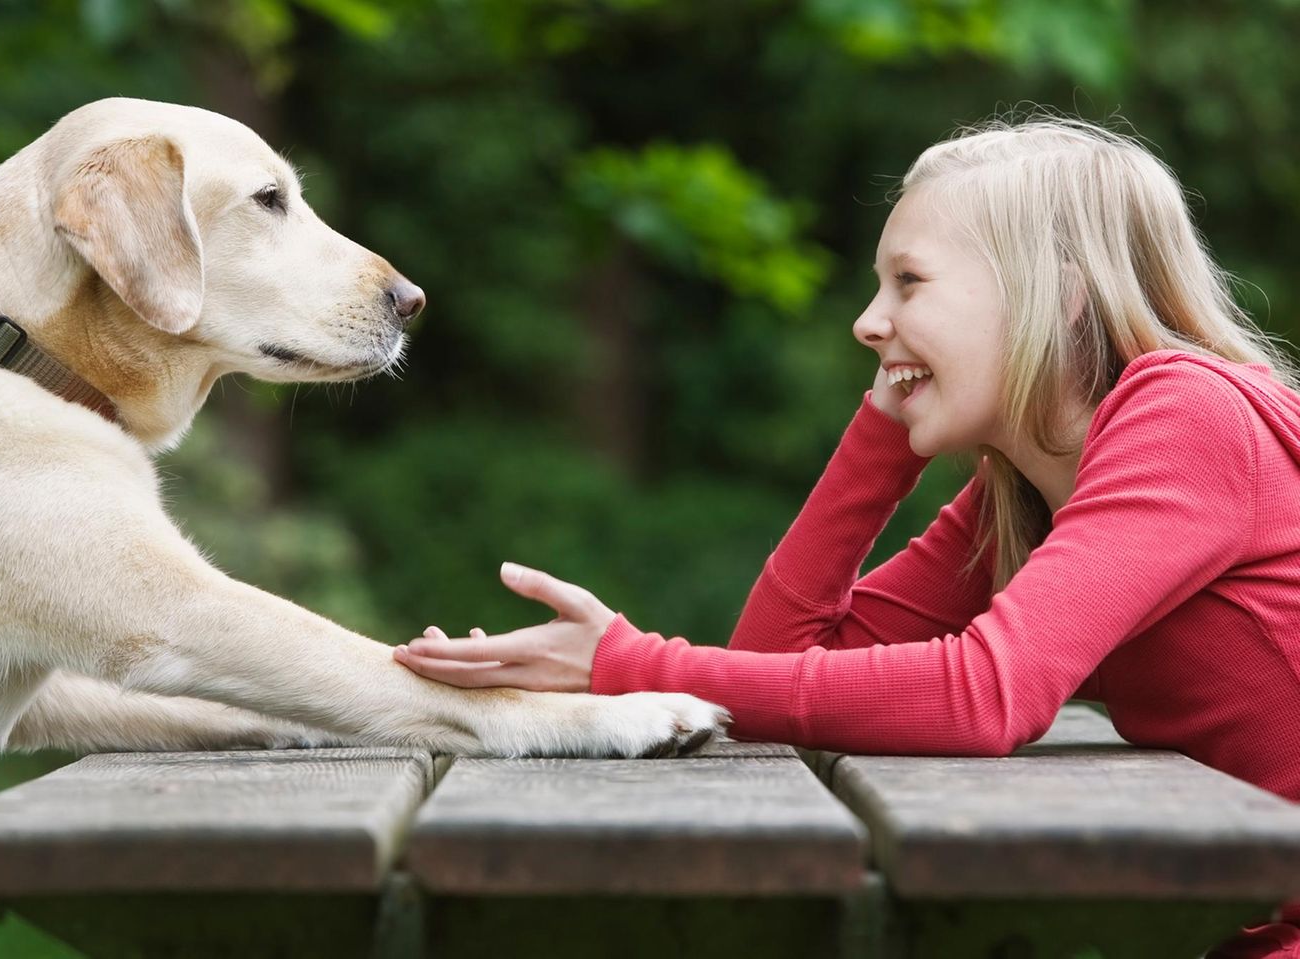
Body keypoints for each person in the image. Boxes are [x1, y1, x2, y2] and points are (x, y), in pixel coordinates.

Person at [392, 115, 1300, 957]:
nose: (868, 321)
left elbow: (983, 695)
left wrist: (628, 666)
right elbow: (777, 662)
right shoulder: (1022, 493)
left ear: (1056, 294)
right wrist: (882, 436)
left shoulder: (1186, 413)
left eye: (909, 282)